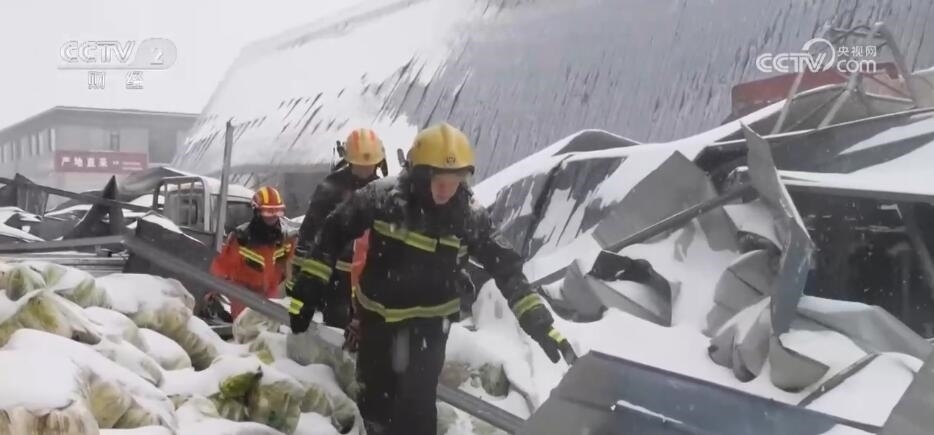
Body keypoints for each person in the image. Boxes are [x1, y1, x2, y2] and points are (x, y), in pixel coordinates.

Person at [288, 122, 576, 435]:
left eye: (455, 180)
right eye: (438, 179)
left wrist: (539, 322)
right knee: (373, 401)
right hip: (377, 322)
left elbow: (506, 267)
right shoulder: (382, 198)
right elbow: (333, 231)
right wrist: (309, 287)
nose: (445, 189)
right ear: (418, 173)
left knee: (417, 410)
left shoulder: (468, 217)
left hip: (428, 329)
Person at [288, 128, 386, 331]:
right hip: (335, 275)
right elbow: (310, 229)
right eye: (360, 165)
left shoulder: (381, 190)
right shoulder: (331, 188)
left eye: (369, 165)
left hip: (369, 276)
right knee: (337, 328)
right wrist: (301, 277)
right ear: (349, 161)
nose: (365, 170)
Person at [209, 186, 295, 319]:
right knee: (245, 327)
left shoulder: (285, 238)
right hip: (243, 295)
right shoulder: (241, 238)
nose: (273, 217)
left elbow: (292, 265)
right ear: (257, 211)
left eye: (277, 211)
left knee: (269, 327)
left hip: (270, 294)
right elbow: (221, 267)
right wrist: (210, 291)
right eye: (268, 212)